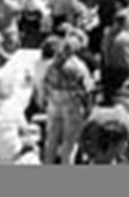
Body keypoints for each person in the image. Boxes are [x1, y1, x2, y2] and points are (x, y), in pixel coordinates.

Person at [42, 37, 95, 165]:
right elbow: (87, 89)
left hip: (54, 103)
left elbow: (45, 84)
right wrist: (88, 108)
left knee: (51, 141)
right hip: (72, 105)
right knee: (69, 144)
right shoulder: (78, 66)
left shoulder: (52, 65)